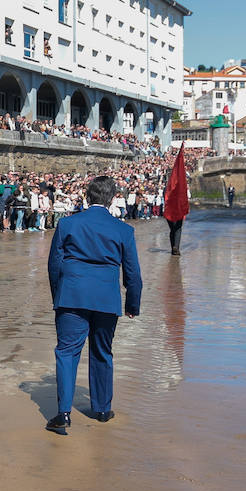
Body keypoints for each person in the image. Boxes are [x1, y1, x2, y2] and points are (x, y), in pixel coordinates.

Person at [45, 175, 143, 434]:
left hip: (72, 295)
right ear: (112, 199)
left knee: (67, 353)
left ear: (87, 197)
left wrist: (58, 294)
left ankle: (63, 414)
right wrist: (133, 304)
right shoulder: (124, 230)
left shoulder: (67, 224)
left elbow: (54, 264)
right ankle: (101, 409)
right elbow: (132, 273)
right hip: (106, 298)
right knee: (102, 352)